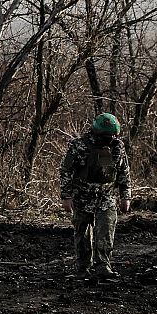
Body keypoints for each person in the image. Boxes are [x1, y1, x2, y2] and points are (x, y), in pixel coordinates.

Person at [60, 113, 132, 281]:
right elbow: (66, 171)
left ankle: (103, 265)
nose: (110, 139)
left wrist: (125, 196)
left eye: (113, 136)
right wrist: (66, 196)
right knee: (82, 235)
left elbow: (123, 172)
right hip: (82, 198)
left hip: (106, 198)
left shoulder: (117, 147)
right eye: (106, 136)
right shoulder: (79, 146)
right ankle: (83, 266)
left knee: (105, 232)